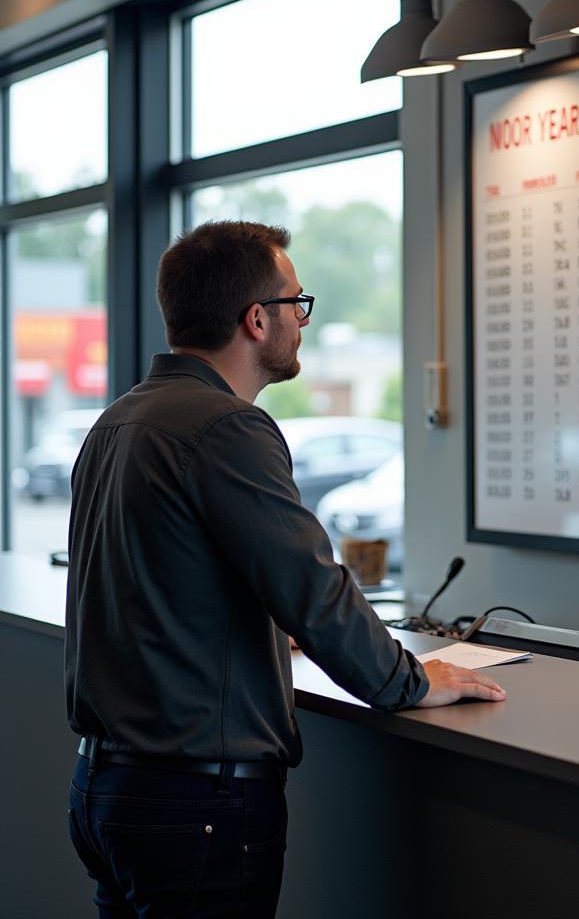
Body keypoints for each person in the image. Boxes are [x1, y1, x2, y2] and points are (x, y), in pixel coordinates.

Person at [65, 220, 505, 918]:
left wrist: (264, 632)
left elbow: (152, 585)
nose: (303, 320)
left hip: (106, 787)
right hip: (195, 801)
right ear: (257, 319)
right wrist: (411, 680)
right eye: (298, 303)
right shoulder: (225, 427)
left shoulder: (120, 420)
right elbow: (314, 589)